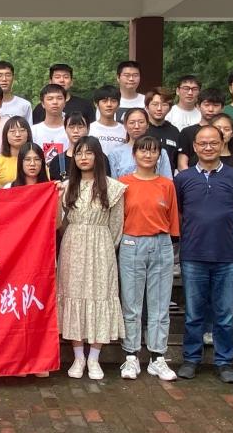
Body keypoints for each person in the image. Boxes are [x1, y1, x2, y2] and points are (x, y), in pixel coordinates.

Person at [174, 125, 233, 384]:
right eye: (202, 143)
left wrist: (229, 233)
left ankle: (224, 361)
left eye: (213, 143)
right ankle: (191, 359)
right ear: (194, 147)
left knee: (225, 314)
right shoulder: (183, 179)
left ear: (222, 144)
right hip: (193, 254)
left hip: (226, 255)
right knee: (194, 313)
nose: (208, 147)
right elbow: (179, 213)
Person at [58, 137, 125, 381]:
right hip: (72, 245)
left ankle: (94, 357)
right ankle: (78, 356)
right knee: (73, 293)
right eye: (79, 153)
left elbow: (116, 226)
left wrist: (103, 245)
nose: (83, 157)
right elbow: (59, 223)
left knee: (100, 294)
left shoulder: (113, 187)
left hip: (101, 246)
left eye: (89, 152)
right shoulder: (66, 187)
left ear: (98, 156)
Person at [117, 135, 180, 382]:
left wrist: (170, 243)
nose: (148, 155)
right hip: (131, 242)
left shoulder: (167, 185)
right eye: (143, 150)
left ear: (159, 156)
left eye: (153, 151)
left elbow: (173, 220)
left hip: (161, 243)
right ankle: (131, 355)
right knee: (131, 303)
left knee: (160, 304)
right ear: (134, 154)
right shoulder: (123, 184)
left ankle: (157, 356)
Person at [108, 108, 172, 179]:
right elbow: (113, 182)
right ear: (125, 126)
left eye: (141, 122)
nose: (136, 126)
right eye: (132, 122)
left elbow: (167, 180)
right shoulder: (115, 153)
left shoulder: (160, 152)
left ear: (147, 125)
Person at [176, 88, 225, 171]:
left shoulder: (226, 132)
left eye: (216, 105)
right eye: (206, 105)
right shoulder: (187, 132)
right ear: (198, 106)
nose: (211, 109)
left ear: (222, 108)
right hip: (192, 177)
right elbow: (182, 164)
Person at [48, 112, 95, 181]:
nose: (76, 131)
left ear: (88, 129)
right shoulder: (56, 162)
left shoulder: (99, 158)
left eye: (80, 127)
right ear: (65, 129)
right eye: (71, 127)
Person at [31, 84, 69, 166]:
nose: (55, 102)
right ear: (42, 104)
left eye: (59, 98)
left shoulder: (71, 130)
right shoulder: (33, 131)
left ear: (65, 103)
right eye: (50, 99)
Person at [0, 116, 31, 187]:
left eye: (22, 130)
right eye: (12, 131)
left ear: (28, 134)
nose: (17, 135)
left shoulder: (35, 160)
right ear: (6, 135)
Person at [145, 87, 181, 171]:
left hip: (168, 178)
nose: (159, 108)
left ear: (170, 108)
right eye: (155, 104)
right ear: (147, 107)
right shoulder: (140, 129)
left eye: (164, 105)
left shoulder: (174, 131)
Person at [89, 85, 127, 158]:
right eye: (104, 101)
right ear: (96, 104)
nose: (109, 104)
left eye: (113, 101)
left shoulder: (125, 130)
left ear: (118, 105)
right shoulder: (89, 129)